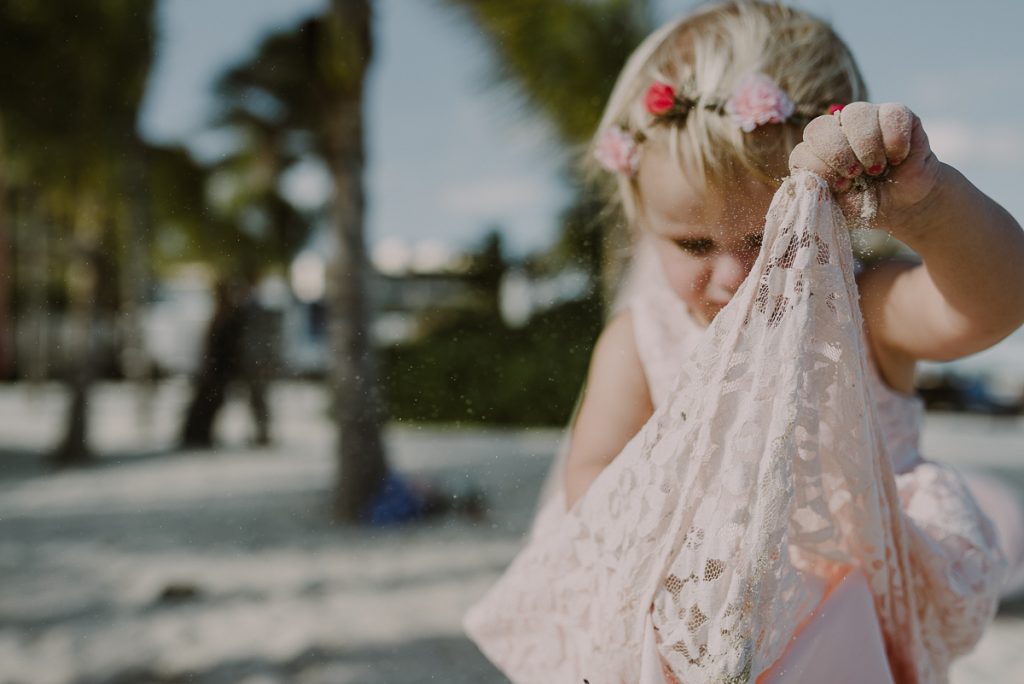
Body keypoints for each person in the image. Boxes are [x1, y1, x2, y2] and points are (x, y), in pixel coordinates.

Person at [463, 2, 1024, 682]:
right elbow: (591, 478)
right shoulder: (639, 341)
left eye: (765, 239)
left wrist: (928, 206)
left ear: (841, 215)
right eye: (694, 243)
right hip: (689, 643)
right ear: (642, 218)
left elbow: (1000, 300)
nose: (732, 276)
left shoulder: (860, 316)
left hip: (846, 648)